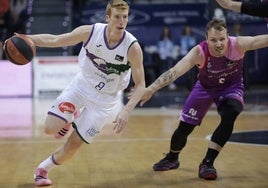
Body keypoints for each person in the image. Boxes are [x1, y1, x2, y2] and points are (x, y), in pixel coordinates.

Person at [13, 0, 145, 186]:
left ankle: (43, 169)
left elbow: (141, 85)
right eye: (117, 17)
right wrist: (27, 38)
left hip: (104, 101)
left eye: (124, 17)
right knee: (50, 128)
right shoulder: (90, 32)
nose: (121, 21)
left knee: (73, 146)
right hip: (81, 87)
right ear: (107, 18)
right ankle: (70, 116)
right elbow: (56, 40)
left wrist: (126, 110)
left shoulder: (132, 47)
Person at [140, 18, 268, 180]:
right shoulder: (199, 52)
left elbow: (260, 40)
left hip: (231, 87)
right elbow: (175, 71)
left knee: (232, 112)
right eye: (213, 40)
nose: (219, 44)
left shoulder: (238, 44)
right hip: (205, 88)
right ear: (206, 39)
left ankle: (207, 162)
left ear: (228, 37)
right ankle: (172, 157)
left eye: (222, 39)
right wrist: (151, 88)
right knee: (184, 129)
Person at [157, 26, 177, 90]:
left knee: (170, 70)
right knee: (163, 70)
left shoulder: (171, 40)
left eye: (167, 31)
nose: (166, 32)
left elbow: (172, 49)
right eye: (165, 31)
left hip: (169, 56)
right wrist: (161, 54)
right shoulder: (160, 40)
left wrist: (170, 54)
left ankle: (170, 83)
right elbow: (159, 48)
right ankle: (161, 84)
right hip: (162, 57)